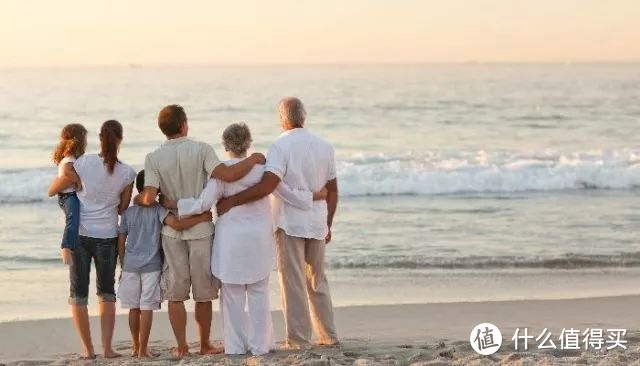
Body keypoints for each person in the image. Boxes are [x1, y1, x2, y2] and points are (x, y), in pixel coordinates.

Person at [162, 122, 327, 355]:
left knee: (232, 298)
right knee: (259, 294)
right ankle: (261, 346)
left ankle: (236, 347)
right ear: (249, 143)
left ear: (225, 144)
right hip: (258, 240)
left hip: (230, 242)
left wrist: (173, 204)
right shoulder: (262, 169)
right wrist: (315, 196)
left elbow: (202, 204)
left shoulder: (220, 174)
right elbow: (287, 193)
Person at [134, 105, 265, 356]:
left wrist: (140, 200)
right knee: (203, 292)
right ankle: (204, 344)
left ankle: (182, 346)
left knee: (176, 292)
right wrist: (253, 159)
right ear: (184, 125)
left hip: (172, 234)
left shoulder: (153, 158)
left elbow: (149, 196)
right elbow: (226, 175)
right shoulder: (202, 149)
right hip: (202, 230)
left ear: (163, 129)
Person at [216, 97, 339, 349]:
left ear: (283, 119)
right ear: (303, 117)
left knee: (292, 282)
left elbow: (269, 184)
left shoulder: (280, 147)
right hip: (316, 222)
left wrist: (233, 201)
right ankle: (329, 336)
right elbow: (333, 190)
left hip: (290, 223)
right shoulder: (325, 146)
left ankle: (299, 339)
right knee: (318, 280)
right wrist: (328, 223)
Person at [49, 120, 135, 359]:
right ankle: (107, 349)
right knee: (106, 292)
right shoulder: (127, 172)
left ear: (99, 138)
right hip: (107, 236)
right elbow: (122, 208)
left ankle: (88, 351)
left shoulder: (83, 162)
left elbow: (66, 183)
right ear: (120, 140)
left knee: (78, 294)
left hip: (81, 235)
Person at [117, 170, 214, 359]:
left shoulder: (128, 212)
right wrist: (202, 218)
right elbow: (176, 225)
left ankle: (135, 347)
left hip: (130, 266)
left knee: (133, 308)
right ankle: (144, 350)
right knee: (146, 307)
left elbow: (121, 239)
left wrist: (123, 262)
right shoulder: (158, 210)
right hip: (152, 266)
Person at [47, 123, 87, 266]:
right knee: (73, 219)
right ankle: (66, 247)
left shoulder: (71, 158)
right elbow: (67, 173)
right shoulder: (69, 159)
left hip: (69, 195)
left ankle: (71, 247)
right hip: (68, 196)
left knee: (74, 220)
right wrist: (78, 181)